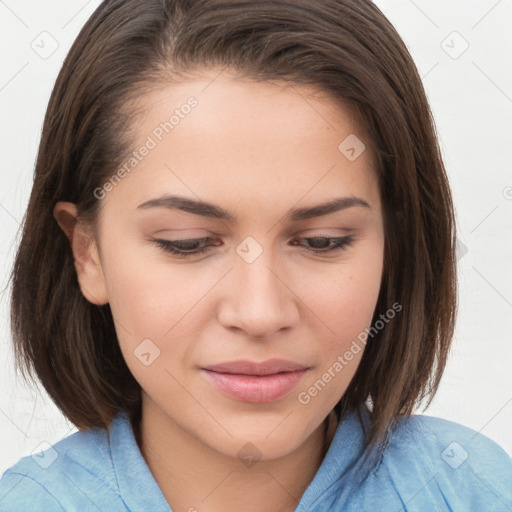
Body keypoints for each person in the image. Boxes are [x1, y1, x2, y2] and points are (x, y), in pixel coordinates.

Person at [1, 0, 511, 510]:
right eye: (187, 243)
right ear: (87, 254)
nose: (260, 313)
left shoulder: (471, 489)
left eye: (323, 241)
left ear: (393, 247)